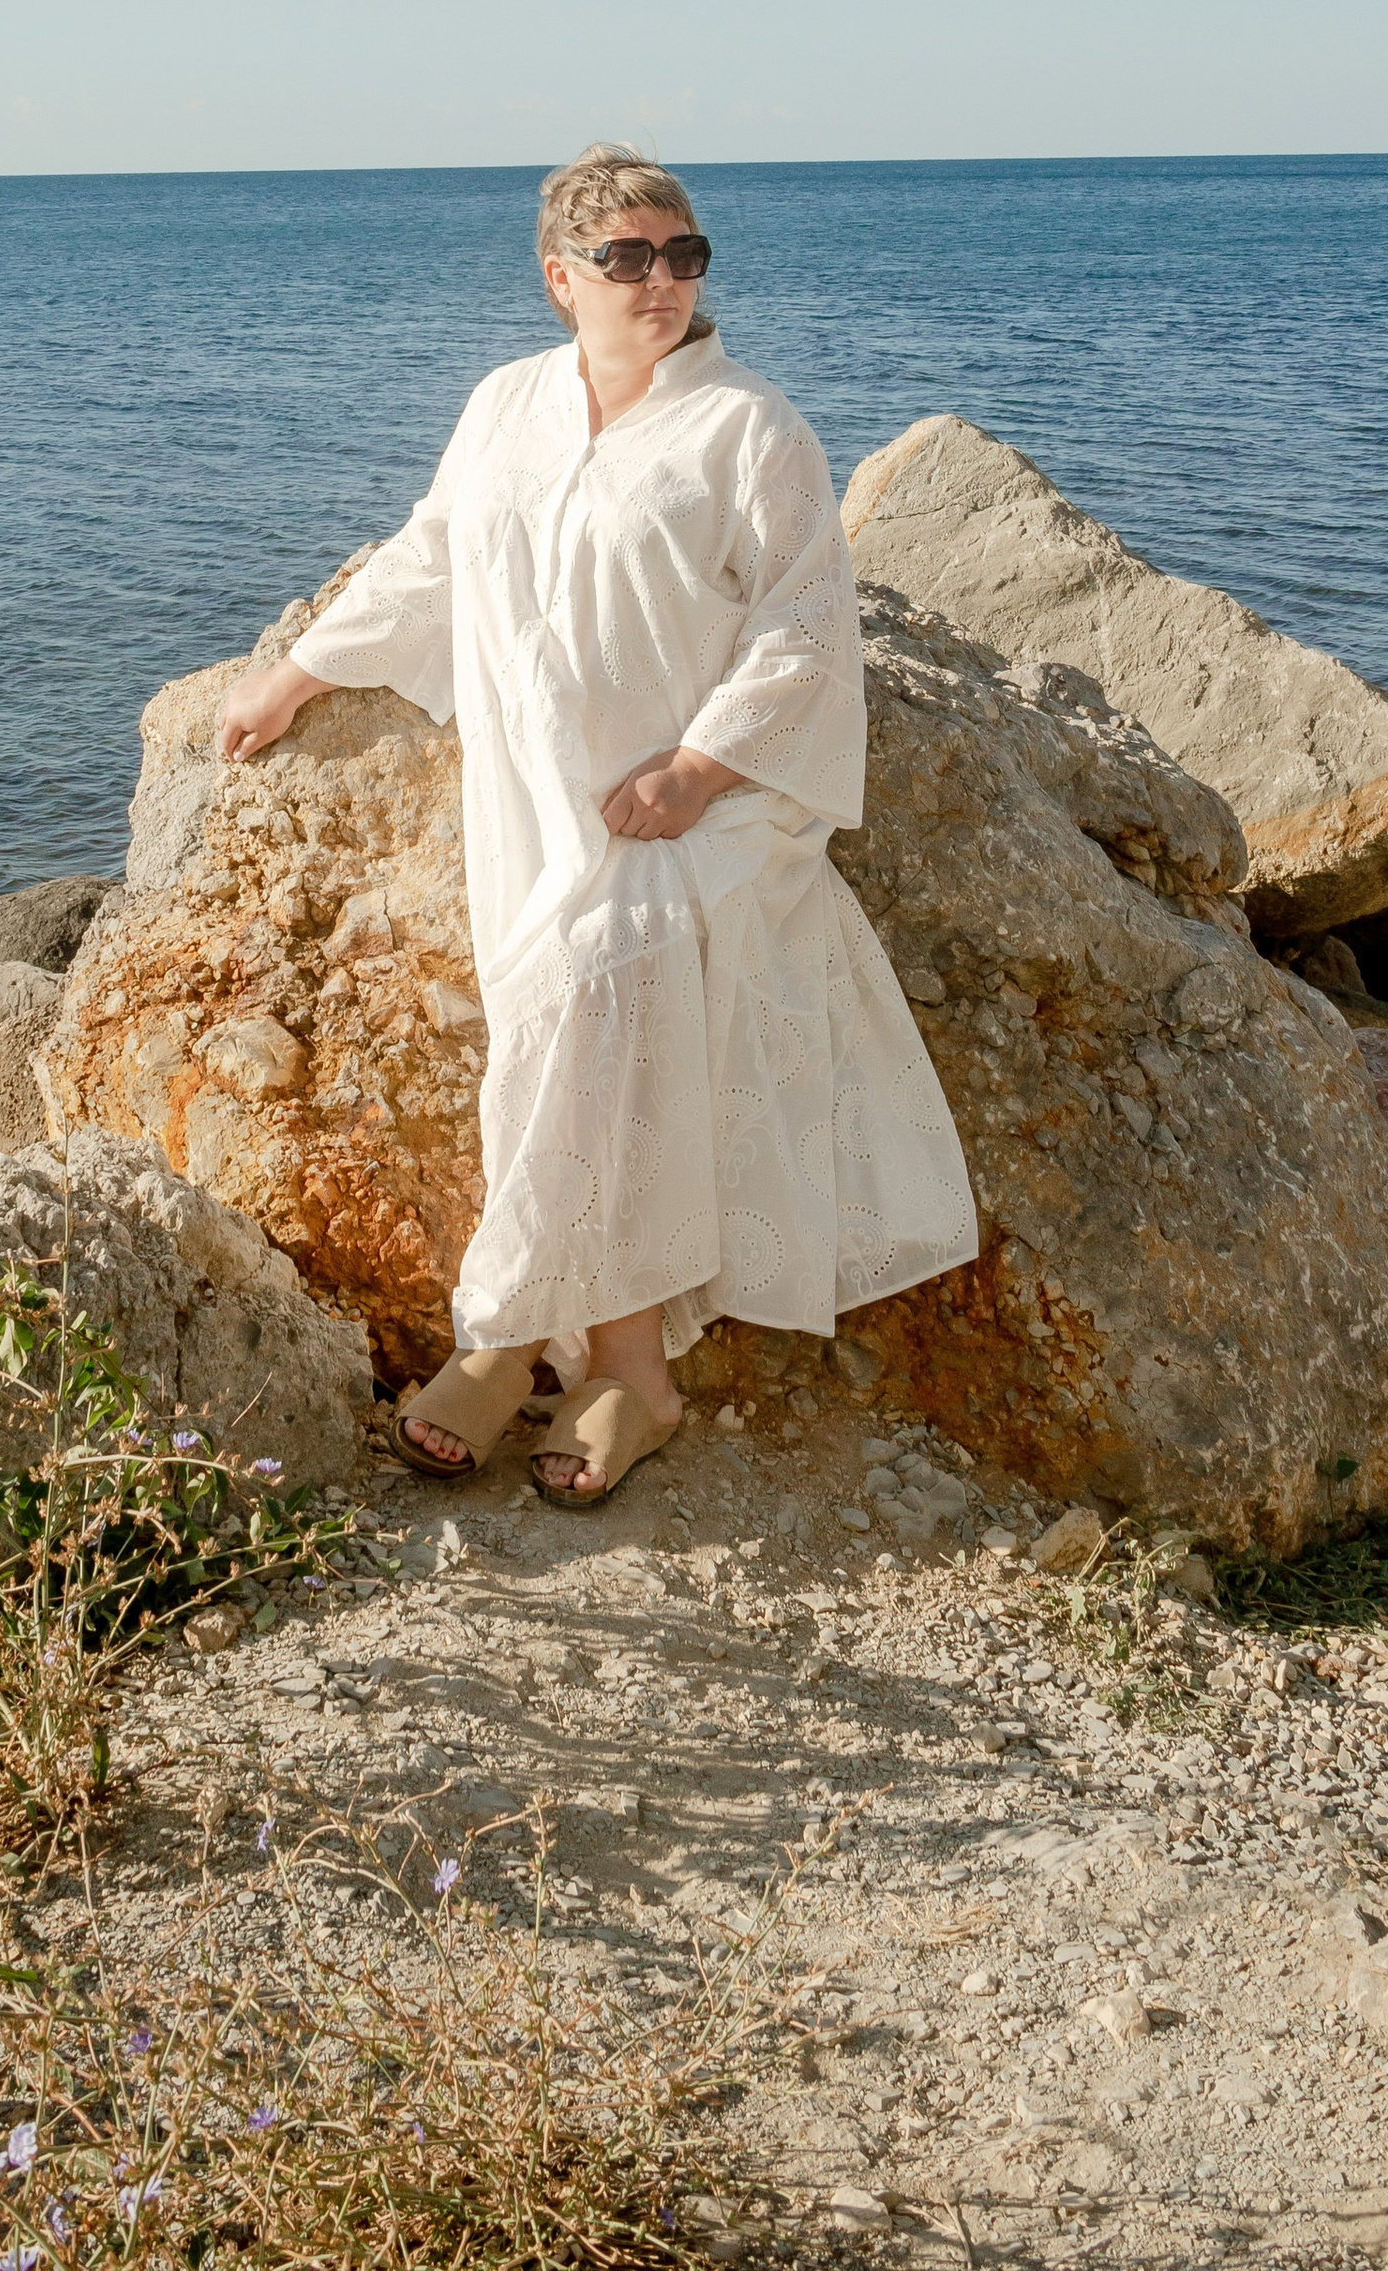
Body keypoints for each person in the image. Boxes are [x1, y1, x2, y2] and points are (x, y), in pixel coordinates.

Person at [214, 144, 976, 1509]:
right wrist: (297, 673)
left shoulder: (751, 427)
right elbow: (432, 553)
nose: (662, 283)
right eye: (628, 259)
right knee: (577, 1003)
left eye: (683, 256)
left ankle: (507, 1339)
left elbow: (807, 631)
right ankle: (629, 1368)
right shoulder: (506, 405)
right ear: (562, 277)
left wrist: (696, 769)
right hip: (537, 800)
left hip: (710, 814)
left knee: (595, 982)